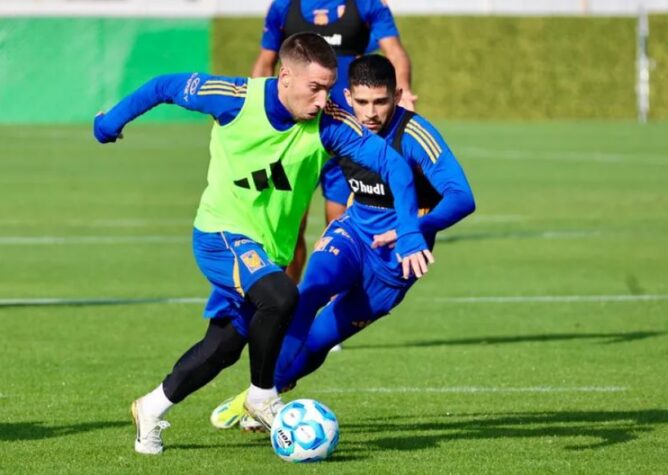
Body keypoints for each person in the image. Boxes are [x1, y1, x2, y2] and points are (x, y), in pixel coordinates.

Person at [93, 33, 433, 455]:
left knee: (222, 348)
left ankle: (150, 408)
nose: (323, 99)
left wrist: (410, 229)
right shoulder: (235, 99)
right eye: (315, 88)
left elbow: (394, 165)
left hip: (267, 253)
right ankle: (262, 397)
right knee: (283, 296)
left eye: (329, 88)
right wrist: (110, 122)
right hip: (220, 235)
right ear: (285, 76)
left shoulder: (330, 122)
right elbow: (164, 86)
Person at [209, 54, 474, 431]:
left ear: (397, 96)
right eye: (362, 102)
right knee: (308, 293)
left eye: (381, 101)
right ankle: (261, 394)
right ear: (348, 97)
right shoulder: (336, 122)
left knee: (319, 341)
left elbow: (462, 196)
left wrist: (414, 228)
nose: (371, 112)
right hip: (352, 232)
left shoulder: (416, 134)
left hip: (396, 263)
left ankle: (262, 395)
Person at [252, 0, 418, 283]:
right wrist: (258, 113)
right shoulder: (283, 6)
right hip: (298, 135)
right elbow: (265, 64)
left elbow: (396, 54)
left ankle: (333, 302)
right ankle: (288, 301)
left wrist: (404, 91)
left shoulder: (366, 5)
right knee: (291, 228)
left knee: (341, 230)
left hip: (345, 135)